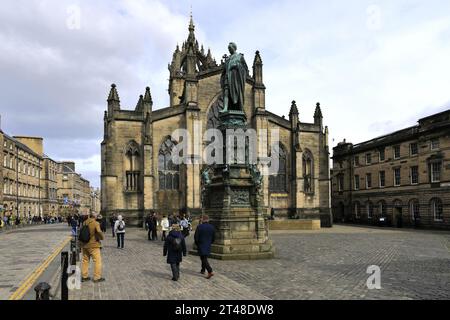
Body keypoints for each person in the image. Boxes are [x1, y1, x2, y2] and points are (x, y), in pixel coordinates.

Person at [80, 212, 105, 283]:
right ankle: (97, 277)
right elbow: (99, 232)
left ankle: (84, 276)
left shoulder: (84, 222)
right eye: (96, 216)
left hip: (84, 244)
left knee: (85, 260)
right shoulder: (96, 223)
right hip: (93, 245)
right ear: (94, 217)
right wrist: (102, 237)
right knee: (97, 261)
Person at [194, 215, 215, 279]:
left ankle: (210, 271)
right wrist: (210, 242)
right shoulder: (212, 227)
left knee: (203, 258)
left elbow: (196, 237)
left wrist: (197, 243)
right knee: (204, 257)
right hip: (208, 244)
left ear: (202, 220)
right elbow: (214, 237)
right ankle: (203, 270)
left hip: (201, 244)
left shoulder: (199, 227)